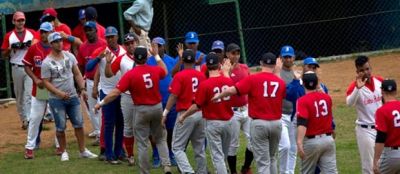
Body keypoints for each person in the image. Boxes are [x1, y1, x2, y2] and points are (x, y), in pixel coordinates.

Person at [95, 46, 172, 174]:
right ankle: (167, 166)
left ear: (134, 59)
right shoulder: (154, 70)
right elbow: (164, 70)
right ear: (147, 58)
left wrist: (101, 103)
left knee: (142, 143)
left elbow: (115, 93)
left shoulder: (130, 74)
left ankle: (144, 171)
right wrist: (157, 56)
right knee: (160, 138)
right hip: (157, 108)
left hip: (141, 109)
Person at [212, 52, 286, 174]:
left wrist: (218, 95)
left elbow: (232, 90)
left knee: (263, 162)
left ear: (261, 63)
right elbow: (282, 93)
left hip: (259, 123)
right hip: (277, 124)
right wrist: (278, 72)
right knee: (272, 158)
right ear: (275, 64)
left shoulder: (253, 78)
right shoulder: (280, 82)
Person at [41, 32, 97, 161]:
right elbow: (46, 82)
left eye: (60, 40)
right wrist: (58, 93)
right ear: (51, 44)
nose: (60, 43)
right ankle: (63, 151)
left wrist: (82, 89)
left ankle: (82, 150)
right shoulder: (46, 62)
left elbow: (77, 73)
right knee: (60, 126)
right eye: (56, 41)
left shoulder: (69, 56)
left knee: (79, 124)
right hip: (56, 99)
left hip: (72, 96)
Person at [179, 53, 234, 174]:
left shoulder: (205, 84)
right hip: (229, 122)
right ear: (219, 65)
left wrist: (184, 115)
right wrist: (226, 73)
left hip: (213, 123)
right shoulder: (228, 80)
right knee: (223, 155)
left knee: (218, 157)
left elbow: (196, 106)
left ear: (206, 67)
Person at [162, 49, 207, 173]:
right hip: (200, 113)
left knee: (177, 148)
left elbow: (173, 96)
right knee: (199, 147)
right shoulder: (201, 76)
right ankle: (202, 171)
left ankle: (188, 171)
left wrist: (165, 113)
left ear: (182, 61)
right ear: (194, 60)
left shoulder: (179, 75)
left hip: (185, 114)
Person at [86, 26, 126, 163]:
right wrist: (98, 58)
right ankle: (109, 155)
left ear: (117, 37)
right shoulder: (101, 51)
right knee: (109, 124)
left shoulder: (123, 50)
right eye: (108, 37)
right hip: (107, 92)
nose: (110, 39)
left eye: (112, 36)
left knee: (121, 123)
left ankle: (119, 151)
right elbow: (89, 68)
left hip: (121, 92)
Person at [104, 32, 139, 166]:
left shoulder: (145, 55)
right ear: (125, 45)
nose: (131, 46)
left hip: (142, 96)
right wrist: (108, 63)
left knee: (145, 127)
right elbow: (108, 74)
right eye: (128, 44)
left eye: (132, 43)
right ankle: (130, 155)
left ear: (136, 42)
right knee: (128, 127)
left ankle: (155, 155)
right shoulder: (122, 58)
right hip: (127, 96)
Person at [346, 55, 383, 174]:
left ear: (370, 67)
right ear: (357, 71)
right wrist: (358, 88)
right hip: (365, 130)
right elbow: (349, 103)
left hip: (382, 129)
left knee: (384, 164)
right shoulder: (354, 86)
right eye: (362, 70)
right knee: (369, 167)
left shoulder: (380, 82)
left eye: (367, 69)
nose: (366, 72)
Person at [22, 22, 54, 159]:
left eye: (46, 32)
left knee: (58, 118)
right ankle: (30, 147)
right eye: (42, 32)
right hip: (41, 88)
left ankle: (60, 146)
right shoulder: (34, 48)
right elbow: (27, 66)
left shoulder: (56, 48)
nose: (43, 34)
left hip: (55, 88)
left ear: (51, 33)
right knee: (35, 118)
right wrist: (35, 79)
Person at [296, 72, 337, 173]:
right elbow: (330, 117)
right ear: (316, 83)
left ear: (303, 84)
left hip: (311, 143)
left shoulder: (302, 100)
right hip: (328, 140)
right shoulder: (327, 98)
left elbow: (303, 122)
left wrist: (299, 142)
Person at [1, 11, 35, 130]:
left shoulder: (31, 33)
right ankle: (23, 119)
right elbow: (3, 55)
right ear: (13, 21)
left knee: (28, 94)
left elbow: (39, 45)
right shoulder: (9, 35)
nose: (20, 22)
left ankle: (29, 119)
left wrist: (30, 45)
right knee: (19, 96)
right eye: (18, 20)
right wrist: (11, 48)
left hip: (29, 67)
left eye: (22, 20)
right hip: (16, 67)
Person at [147, 37, 178, 167]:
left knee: (171, 129)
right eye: (155, 46)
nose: (157, 48)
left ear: (164, 47)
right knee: (154, 130)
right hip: (154, 101)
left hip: (169, 100)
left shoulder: (171, 60)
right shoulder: (147, 61)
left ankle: (171, 153)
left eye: (159, 46)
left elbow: (177, 76)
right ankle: (156, 154)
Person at [223, 43, 254, 174]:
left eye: (237, 53)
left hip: (246, 110)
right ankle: (233, 172)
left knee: (253, 141)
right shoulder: (223, 70)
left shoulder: (245, 68)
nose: (236, 56)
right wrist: (227, 72)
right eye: (233, 53)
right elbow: (226, 87)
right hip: (232, 112)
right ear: (227, 54)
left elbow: (251, 85)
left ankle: (246, 168)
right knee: (233, 145)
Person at [76, 21, 107, 141]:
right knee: (93, 108)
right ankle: (99, 133)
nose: (88, 32)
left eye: (90, 30)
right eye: (86, 30)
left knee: (103, 107)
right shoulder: (83, 47)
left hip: (103, 80)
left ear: (96, 31)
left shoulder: (104, 44)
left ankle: (105, 131)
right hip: (89, 80)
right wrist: (81, 85)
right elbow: (80, 66)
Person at [278, 45, 299, 174]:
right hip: (280, 115)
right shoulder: (277, 74)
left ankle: (289, 172)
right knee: (284, 146)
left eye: (289, 57)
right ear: (280, 58)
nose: (287, 59)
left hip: (294, 115)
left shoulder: (297, 74)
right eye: (285, 57)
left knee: (293, 148)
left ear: (294, 58)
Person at [373, 79, 400, 174]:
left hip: (391, 156)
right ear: (396, 91)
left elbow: (381, 137)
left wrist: (375, 160)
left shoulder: (382, 111)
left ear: (382, 91)